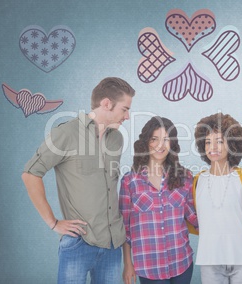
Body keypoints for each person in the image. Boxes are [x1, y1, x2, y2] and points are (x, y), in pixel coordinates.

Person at [21, 77, 135, 283]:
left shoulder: (117, 139)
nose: (127, 116)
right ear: (107, 104)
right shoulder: (67, 133)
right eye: (124, 109)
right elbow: (30, 173)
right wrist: (52, 222)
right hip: (79, 243)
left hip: (113, 244)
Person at [119, 116, 198, 284]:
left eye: (166, 140)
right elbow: (125, 228)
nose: (160, 145)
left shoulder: (185, 177)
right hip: (148, 267)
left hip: (181, 262)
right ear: (146, 142)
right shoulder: (129, 181)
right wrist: (128, 263)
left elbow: (194, 217)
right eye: (154, 139)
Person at [190, 112, 242, 283]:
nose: (212, 147)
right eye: (207, 142)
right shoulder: (197, 181)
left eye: (219, 141)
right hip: (210, 260)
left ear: (232, 145)